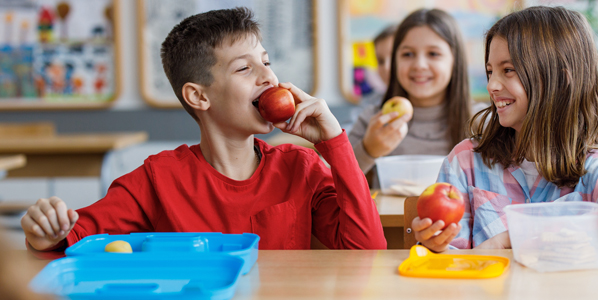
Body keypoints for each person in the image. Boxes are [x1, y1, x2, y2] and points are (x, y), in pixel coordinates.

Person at [20, 7, 387, 258]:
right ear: (199, 96)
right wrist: (45, 233)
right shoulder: (157, 178)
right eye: (244, 69)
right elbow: (72, 238)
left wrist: (333, 140)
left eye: (267, 62)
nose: (268, 78)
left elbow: (365, 251)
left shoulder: (301, 166)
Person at [412, 6, 598, 252]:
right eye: (490, 72)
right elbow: (450, 266)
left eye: (508, 70)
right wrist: (435, 246)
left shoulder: (594, 171)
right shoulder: (466, 162)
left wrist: (509, 239)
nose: (492, 85)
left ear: (563, 81)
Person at [348, 9, 484, 188]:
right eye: (408, 54)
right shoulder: (373, 121)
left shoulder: (481, 122)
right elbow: (331, 184)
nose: (419, 65)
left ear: (455, 61)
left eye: (433, 54)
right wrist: (368, 150)